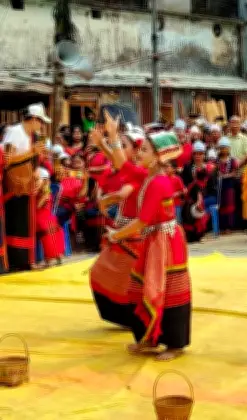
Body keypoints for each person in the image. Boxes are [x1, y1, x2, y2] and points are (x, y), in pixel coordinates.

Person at [104, 130, 191, 361]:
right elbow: (123, 165)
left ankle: (175, 344)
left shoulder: (158, 183)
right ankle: (148, 339)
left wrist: (116, 235)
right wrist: (112, 136)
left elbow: (142, 220)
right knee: (140, 287)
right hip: (154, 240)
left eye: (144, 150)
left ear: (158, 157)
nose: (139, 152)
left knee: (170, 291)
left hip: (166, 242)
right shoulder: (148, 176)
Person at [90, 125, 144, 329]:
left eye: (124, 145)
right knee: (109, 274)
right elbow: (115, 158)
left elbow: (123, 193)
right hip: (126, 229)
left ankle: (133, 317)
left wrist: (105, 200)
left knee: (117, 276)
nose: (119, 148)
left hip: (132, 232)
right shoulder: (131, 167)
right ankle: (129, 317)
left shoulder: (139, 171)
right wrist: (102, 143)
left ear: (136, 150)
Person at [2, 103, 49, 271]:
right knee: (18, 224)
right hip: (15, 185)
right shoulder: (15, 132)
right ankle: (19, 261)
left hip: (27, 183)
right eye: (41, 122)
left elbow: (32, 161)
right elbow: (7, 160)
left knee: (27, 223)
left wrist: (37, 174)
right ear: (34, 119)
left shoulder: (31, 135)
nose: (42, 126)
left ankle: (28, 260)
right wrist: (32, 152)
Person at [33, 167, 65, 268]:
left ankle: (52, 257)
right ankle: (54, 256)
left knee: (48, 227)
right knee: (47, 225)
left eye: (37, 180)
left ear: (45, 181)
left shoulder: (46, 192)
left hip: (43, 217)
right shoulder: (37, 190)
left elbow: (38, 205)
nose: (35, 183)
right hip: (39, 217)